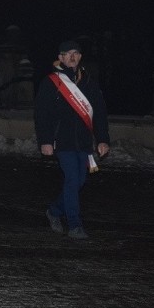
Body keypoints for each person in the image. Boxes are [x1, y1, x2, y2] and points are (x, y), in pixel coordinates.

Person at [35, 40, 110, 240]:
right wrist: (46, 140)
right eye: (67, 53)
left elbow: (100, 114)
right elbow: (42, 115)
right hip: (63, 140)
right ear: (60, 58)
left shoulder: (89, 82)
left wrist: (102, 139)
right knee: (71, 179)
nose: (72, 57)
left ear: (80, 57)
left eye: (75, 53)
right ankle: (75, 225)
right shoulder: (51, 82)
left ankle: (54, 211)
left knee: (79, 181)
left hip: (84, 142)